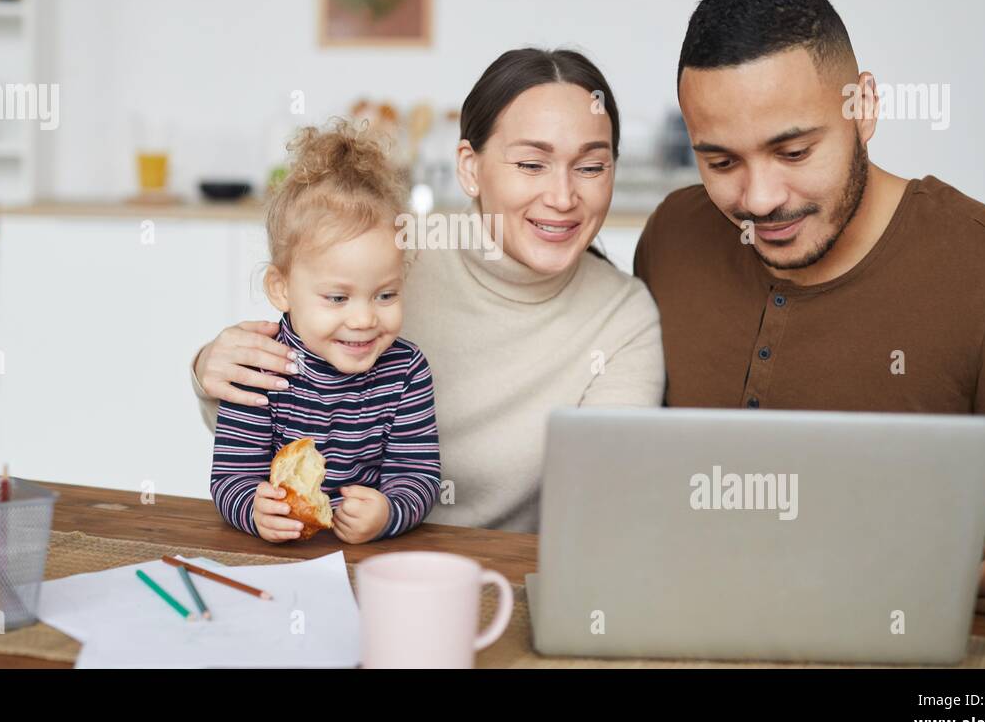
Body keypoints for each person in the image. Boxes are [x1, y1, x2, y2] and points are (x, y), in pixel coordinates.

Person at [634, 0, 985, 614]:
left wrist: (916, 560)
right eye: (720, 162)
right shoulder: (672, 236)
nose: (759, 199)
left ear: (865, 107)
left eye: (793, 151)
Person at [195, 48, 665, 532]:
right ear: (469, 167)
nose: (563, 197)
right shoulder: (390, 251)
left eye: (591, 167)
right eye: (531, 164)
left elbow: (605, 505)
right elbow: (275, 411)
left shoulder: (623, 318)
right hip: (328, 555)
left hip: (491, 571)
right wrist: (208, 364)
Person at [210, 120, 440, 544]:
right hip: (280, 558)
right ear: (281, 289)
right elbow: (231, 477)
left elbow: (419, 476)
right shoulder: (261, 367)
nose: (363, 319)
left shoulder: (407, 371)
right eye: (338, 298)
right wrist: (254, 510)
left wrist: (388, 512)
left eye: (385, 295)